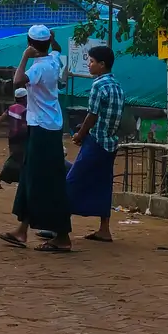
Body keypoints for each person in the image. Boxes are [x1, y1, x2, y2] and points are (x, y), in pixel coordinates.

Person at [0, 25, 72, 253]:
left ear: (30, 44)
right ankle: (22, 230)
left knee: (47, 182)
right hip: (46, 127)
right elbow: (57, 49)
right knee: (30, 177)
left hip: (43, 130)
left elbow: (17, 81)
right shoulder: (54, 59)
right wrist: (53, 41)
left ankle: (62, 237)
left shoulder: (39, 68)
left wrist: (24, 57)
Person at [67, 45, 125, 243]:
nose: (88, 65)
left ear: (102, 65)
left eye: (91, 62)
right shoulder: (117, 86)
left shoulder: (98, 85)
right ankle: (104, 229)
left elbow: (92, 115)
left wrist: (80, 135)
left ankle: (58, 226)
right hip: (111, 143)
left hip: (97, 140)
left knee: (72, 180)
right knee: (103, 183)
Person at [0, 88, 29, 189]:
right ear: (24, 98)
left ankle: (21, 181)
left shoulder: (12, 108)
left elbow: (2, 117)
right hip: (22, 137)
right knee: (16, 159)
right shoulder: (25, 109)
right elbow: (26, 126)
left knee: (18, 159)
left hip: (12, 137)